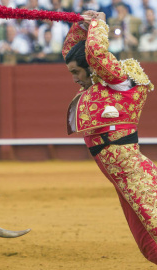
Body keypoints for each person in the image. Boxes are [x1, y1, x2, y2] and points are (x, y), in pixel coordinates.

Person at [62, 10, 157, 265]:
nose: (74, 78)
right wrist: (81, 27)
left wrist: (99, 23)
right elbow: (73, 51)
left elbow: (95, 54)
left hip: (135, 176)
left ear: (91, 69)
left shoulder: (119, 81)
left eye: (76, 72)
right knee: (149, 247)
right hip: (121, 180)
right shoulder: (100, 85)